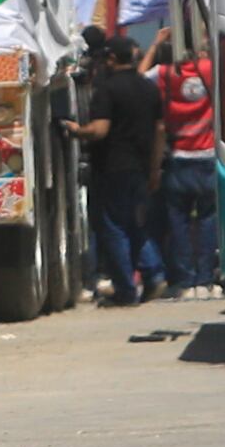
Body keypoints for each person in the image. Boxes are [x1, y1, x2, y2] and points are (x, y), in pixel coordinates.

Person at [70, 24, 166, 304]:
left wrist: (76, 130)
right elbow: (160, 130)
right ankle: (153, 275)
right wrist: (154, 168)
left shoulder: (107, 90)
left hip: (112, 168)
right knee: (136, 224)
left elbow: (99, 130)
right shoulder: (148, 88)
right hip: (140, 167)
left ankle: (125, 290)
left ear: (111, 59)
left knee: (114, 227)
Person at [149, 36, 222, 290]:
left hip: (178, 158)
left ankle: (183, 280)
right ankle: (204, 278)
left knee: (178, 223)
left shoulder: (165, 74)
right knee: (207, 220)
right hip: (209, 157)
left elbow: (137, 78)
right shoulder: (210, 69)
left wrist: (154, 47)